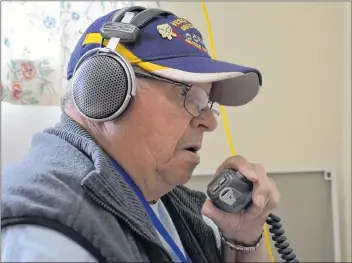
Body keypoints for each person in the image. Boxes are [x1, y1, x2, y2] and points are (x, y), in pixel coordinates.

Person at [1, 6, 280, 263]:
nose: (209, 122)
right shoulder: (49, 225)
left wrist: (243, 238)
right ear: (106, 90)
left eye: (207, 103)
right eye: (189, 95)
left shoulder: (169, 202)